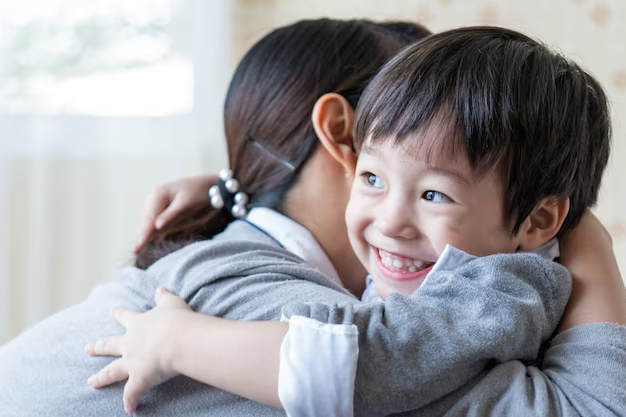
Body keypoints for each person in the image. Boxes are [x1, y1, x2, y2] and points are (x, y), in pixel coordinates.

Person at [86, 27, 626, 416]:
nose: (390, 221)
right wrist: (228, 187)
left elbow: (353, 364)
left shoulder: (500, 291)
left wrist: (179, 342)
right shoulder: (465, 258)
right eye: (370, 179)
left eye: (434, 194)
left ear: (539, 221)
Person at [0, 19, 435, 417]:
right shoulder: (277, 304)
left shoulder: (237, 256)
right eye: (433, 131)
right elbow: (449, 382)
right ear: (342, 134)